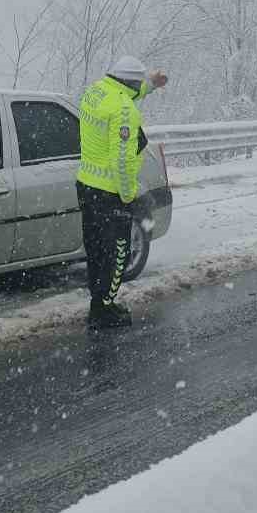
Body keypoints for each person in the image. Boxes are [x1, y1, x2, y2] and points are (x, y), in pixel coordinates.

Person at [76, 56, 168, 328]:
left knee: (96, 249)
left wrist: (151, 84)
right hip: (110, 193)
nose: (139, 87)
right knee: (118, 253)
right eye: (138, 83)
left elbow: (127, 93)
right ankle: (103, 310)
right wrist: (129, 196)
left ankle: (98, 300)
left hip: (87, 186)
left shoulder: (96, 92)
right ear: (129, 82)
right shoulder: (124, 110)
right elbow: (123, 161)